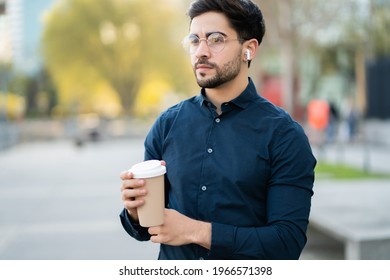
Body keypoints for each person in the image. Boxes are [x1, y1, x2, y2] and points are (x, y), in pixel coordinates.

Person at [120, 0, 316, 260]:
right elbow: (148, 227)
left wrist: (196, 232)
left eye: (215, 39)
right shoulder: (167, 124)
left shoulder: (284, 135)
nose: (201, 51)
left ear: (249, 49)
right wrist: (136, 211)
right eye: (194, 40)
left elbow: (286, 243)